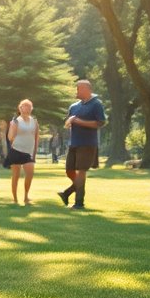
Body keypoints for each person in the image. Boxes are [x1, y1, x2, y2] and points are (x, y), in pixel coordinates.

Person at [57, 80, 105, 210]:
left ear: (86, 89)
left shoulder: (96, 104)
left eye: (78, 89)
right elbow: (67, 122)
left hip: (87, 144)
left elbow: (100, 123)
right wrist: (70, 121)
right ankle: (67, 193)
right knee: (69, 171)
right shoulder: (74, 106)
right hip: (74, 143)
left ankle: (79, 203)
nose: (76, 91)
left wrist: (78, 121)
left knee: (81, 172)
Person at [5, 101, 39, 205]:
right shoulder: (16, 121)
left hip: (28, 152)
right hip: (16, 150)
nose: (27, 109)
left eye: (29, 107)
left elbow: (36, 137)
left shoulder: (35, 121)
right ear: (20, 108)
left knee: (30, 173)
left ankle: (26, 197)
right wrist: (12, 127)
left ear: (31, 108)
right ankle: (15, 199)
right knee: (16, 175)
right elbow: (10, 137)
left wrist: (34, 152)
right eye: (25, 107)